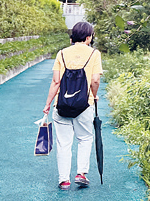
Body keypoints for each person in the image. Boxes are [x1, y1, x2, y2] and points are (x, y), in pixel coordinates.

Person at [43, 21, 103, 190]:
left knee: (63, 143)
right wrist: (94, 94)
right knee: (84, 138)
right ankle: (81, 173)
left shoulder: (62, 53)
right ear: (88, 37)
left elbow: (56, 81)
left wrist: (48, 104)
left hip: (62, 104)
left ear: (73, 36)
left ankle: (64, 180)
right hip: (85, 104)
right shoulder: (94, 54)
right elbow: (95, 80)